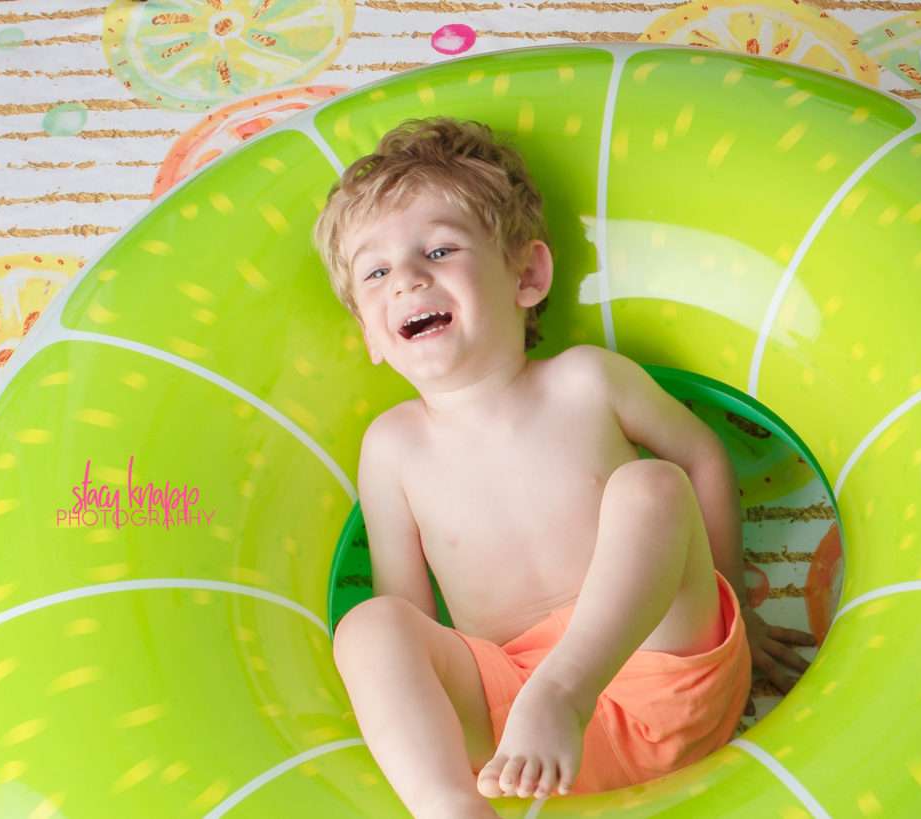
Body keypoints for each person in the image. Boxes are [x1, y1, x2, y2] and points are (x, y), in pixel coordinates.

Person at [312, 116, 815, 819]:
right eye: (376, 270)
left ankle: (567, 689)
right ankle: (449, 807)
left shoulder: (585, 381)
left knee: (650, 484)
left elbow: (701, 454)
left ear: (527, 274)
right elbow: (411, 615)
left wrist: (736, 606)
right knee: (370, 624)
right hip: (514, 725)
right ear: (369, 330)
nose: (408, 279)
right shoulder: (391, 447)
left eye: (439, 248)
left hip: (663, 672)